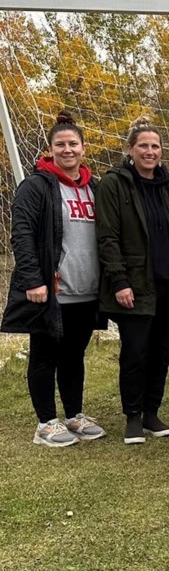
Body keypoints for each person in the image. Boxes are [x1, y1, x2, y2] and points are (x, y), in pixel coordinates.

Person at [2, 111, 105, 446]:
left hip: (86, 288)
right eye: (60, 144)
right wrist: (33, 279)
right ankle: (46, 422)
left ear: (83, 148)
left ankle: (74, 415)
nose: (67, 149)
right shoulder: (36, 186)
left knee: (74, 355)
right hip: (50, 290)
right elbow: (22, 234)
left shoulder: (95, 187)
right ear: (50, 149)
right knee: (44, 355)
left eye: (73, 143)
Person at [96, 116, 169, 445]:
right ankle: (133, 416)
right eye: (143, 146)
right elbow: (107, 237)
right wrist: (120, 281)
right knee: (135, 351)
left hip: (168, 286)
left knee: (161, 351)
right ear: (130, 149)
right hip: (134, 286)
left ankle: (152, 412)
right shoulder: (113, 185)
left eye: (155, 146)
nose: (150, 151)